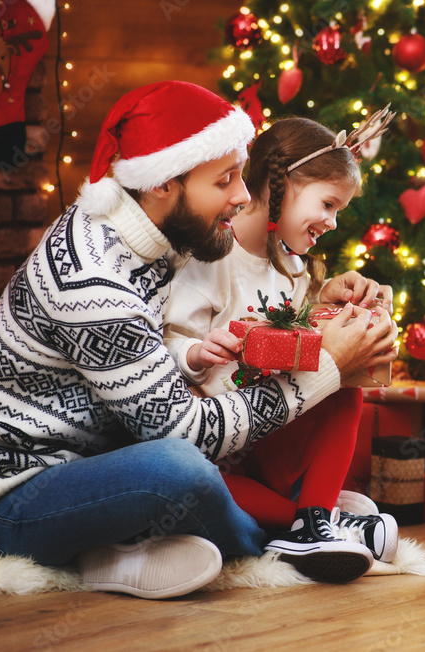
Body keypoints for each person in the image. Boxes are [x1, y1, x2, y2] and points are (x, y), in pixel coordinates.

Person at [0, 81, 397, 599]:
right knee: (179, 468)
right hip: (10, 499)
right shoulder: (92, 283)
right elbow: (186, 432)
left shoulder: (165, 233)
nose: (244, 196)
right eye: (225, 179)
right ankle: (299, 529)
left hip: (96, 458)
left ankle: (283, 527)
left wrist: (321, 297)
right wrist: (329, 367)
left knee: (178, 467)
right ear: (163, 183)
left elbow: (248, 290)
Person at [163, 112, 400, 581]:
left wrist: (327, 299)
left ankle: (311, 521)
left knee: (345, 391)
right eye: (328, 204)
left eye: (339, 212)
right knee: (200, 484)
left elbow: (295, 343)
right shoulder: (213, 255)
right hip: (216, 443)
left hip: (269, 433)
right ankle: (321, 521)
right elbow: (168, 340)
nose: (332, 223)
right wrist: (194, 354)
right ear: (281, 185)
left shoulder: (293, 266)